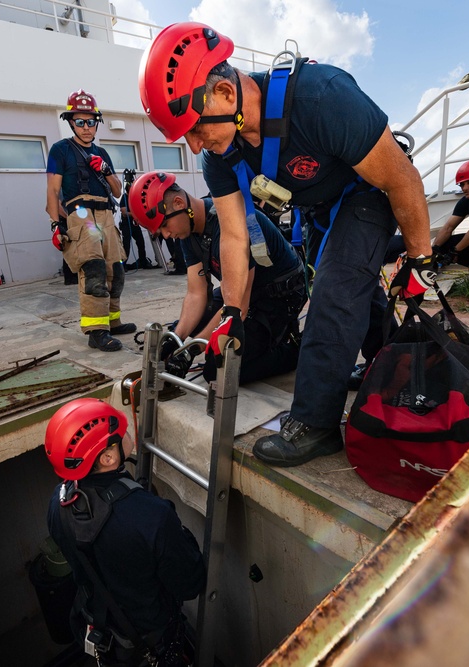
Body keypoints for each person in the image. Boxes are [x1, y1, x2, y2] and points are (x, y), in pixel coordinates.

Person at [139, 23, 435, 468]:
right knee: (351, 290)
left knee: (334, 291)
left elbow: (401, 178)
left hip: (368, 195)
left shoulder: (322, 97)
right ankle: (386, 364)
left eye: (195, 129)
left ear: (223, 92)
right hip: (318, 210)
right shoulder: (220, 157)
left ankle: (315, 422)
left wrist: (419, 261)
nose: (195, 144)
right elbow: (236, 234)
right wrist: (235, 314)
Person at [44, 398, 206, 666]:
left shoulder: (57, 502)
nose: (129, 432)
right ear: (108, 458)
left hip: (98, 629)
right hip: (148, 643)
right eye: (121, 434)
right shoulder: (153, 516)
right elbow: (191, 584)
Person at [129, 171, 307, 384]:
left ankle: (295, 349)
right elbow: (196, 294)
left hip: (277, 297)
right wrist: (178, 339)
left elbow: (239, 307)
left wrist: (192, 350)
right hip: (240, 291)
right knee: (190, 329)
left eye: (164, 226)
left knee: (219, 368)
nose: (166, 235)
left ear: (178, 203)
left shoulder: (231, 222)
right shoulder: (189, 233)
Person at [46, 89, 136, 352]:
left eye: (90, 121)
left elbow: (118, 191)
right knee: (94, 270)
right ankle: (96, 331)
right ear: (71, 122)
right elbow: (52, 191)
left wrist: (106, 171)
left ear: (97, 123)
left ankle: (112, 321)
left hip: (106, 214)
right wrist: (55, 225)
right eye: (80, 122)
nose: (86, 127)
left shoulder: (102, 153)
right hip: (81, 214)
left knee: (115, 270)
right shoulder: (60, 150)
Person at [120, 169, 158, 271]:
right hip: (126, 225)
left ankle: (143, 262)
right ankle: (122, 265)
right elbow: (124, 212)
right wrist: (136, 214)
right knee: (126, 245)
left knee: (141, 243)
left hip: (135, 224)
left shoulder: (135, 197)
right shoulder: (124, 197)